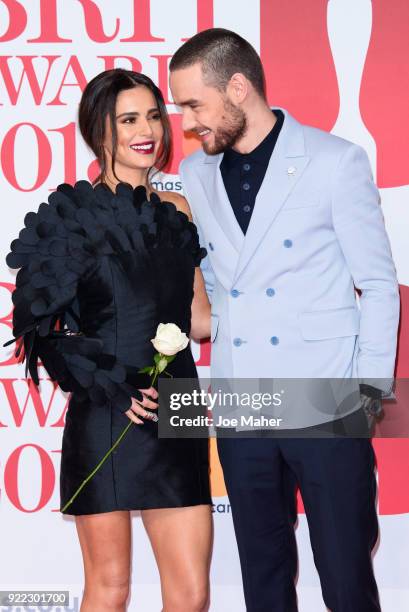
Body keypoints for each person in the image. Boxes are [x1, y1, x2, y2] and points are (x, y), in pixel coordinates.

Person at [169, 28, 400, 612]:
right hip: (244, 394)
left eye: (194, 104)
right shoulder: (196, 174)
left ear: (238, 88)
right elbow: (223, 280)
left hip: (324, 394)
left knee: (345, 569)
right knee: (263, 570)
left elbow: (376, 284)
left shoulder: (334, 161)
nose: (188, 122)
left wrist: (368, 386)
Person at [6, 69, 213, 612]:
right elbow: (37, 327)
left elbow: (199, 321)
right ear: (100, 129)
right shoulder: (70, 219)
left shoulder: (179, 212)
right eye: (128, 119)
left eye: (152, 116)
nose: (146, 130)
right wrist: (114, 385)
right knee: (110, 586)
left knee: (191, 594)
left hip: (179, 405)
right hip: (107, 408)